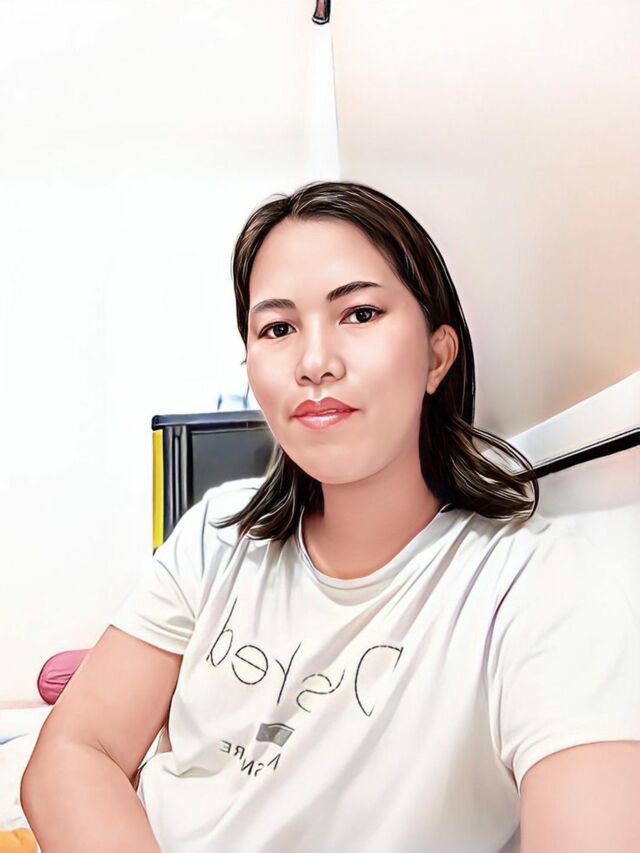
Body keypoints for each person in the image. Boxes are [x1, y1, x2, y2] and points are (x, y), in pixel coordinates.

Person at [21, 181, 640, 852]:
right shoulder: (217, 534)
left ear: (437, 356)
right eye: (277, 328)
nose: (314, 362)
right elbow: (74, 751)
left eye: (360, 313)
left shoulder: (539, 583)